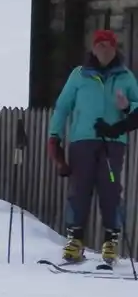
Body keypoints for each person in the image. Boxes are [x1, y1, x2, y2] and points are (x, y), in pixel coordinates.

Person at [48, 28, 138, 263]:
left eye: (107, 45)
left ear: (114, 48)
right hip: (82, 141)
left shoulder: (126, 77)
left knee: (110, 191)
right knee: (80, 190)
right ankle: (75, 239)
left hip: (113, 143)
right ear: (93, 48)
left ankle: (111, 241)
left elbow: (137, 108)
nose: (103, 48)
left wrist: (127, 106)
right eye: (99, 44)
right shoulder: (79, 75)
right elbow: (63, 106)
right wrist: (54, 135)